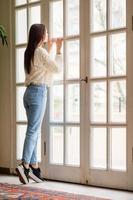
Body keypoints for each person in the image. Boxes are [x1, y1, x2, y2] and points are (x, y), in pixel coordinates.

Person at [15, 24, 63, 184]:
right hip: (38, 93)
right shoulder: (41, 52)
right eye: (46, 32)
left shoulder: (29, 52)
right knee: (33, 131)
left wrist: (50, 48)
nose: (48, 34)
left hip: (28, 94)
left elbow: (44, 67)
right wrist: (58, 50)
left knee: (33, 131)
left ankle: (34, 168)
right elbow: (56, 68)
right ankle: (24, 165)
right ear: (41, 35)